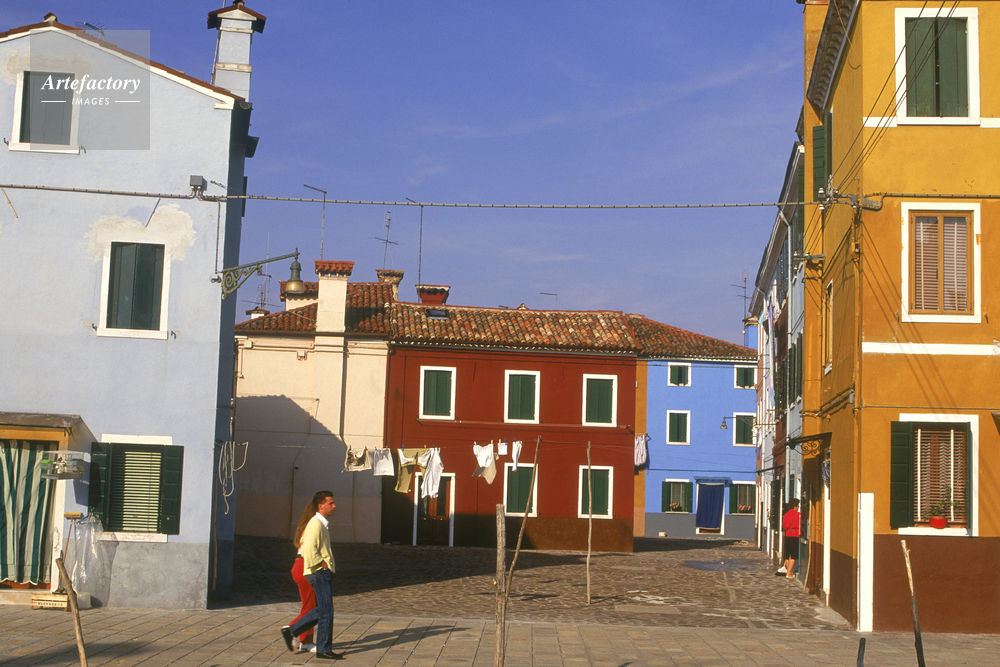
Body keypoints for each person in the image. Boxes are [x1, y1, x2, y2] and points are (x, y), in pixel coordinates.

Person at [281, 491, 343, 660]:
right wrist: (321, 564)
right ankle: (310, 642)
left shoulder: (320, 523)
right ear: (320, 506)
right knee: (321, 609)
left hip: (313, 568)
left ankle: (297, 634)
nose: (334, 506)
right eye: (331, 503)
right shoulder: (315, 523)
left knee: (324, 609)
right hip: (315, 569)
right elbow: (309, 548)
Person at [289, 501, 320, 652]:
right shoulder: (311, 527)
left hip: (301, 565)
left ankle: (305, 641)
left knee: (310, 606)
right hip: (304, 566)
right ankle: (291, 630)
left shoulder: (305, 526)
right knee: (309, 607)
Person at [782, 498, 801, 579]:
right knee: (793, 555)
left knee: (787, 555)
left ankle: (788, 571)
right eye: (798, 506)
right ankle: (789, 573)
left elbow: (784, 526)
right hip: (795, 535)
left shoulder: (786, 515)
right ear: (795, 506)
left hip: (788, 535)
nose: (798, 507)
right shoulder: (798, 515)